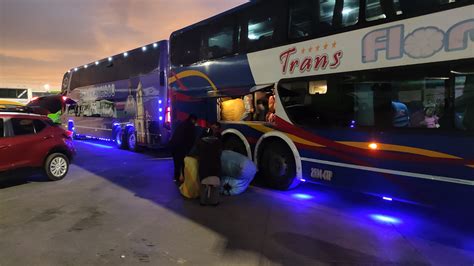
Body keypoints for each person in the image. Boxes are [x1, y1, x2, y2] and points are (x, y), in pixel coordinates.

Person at [169, 114, 197, 182]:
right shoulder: (190, 126)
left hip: (174, 147)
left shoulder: (182, 124)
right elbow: (191, 139)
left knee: (176, 163)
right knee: (183, 163)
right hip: (181, 147)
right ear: (193, 120)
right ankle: (184, 178)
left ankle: (176, 177)